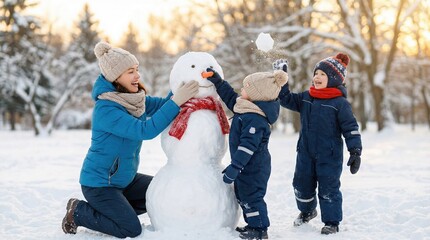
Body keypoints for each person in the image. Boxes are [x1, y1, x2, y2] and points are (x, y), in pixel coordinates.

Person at [61, 41, 199, 238]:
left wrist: (179, 87)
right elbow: (145, 130)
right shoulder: (107, 109)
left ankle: (117, 211)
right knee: (130, 229)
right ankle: (78, 212)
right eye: (130, 72)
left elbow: (163, 106)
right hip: (100, 185)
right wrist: (176, 101)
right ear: (116, 76)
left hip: (125, 180)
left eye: (137, 69)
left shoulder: (134, 99)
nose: (137, 76)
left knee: (162, 192)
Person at [273, 53, 362, 235]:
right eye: (316, 73)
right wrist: (281, 79)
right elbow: (286, 99)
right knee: (301, 184)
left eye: (323, 74)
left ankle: (331, 222)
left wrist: (355, 151)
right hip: (305, 153)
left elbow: (350, 128)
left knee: (328, 188)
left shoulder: (340, 103)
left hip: (329, 156)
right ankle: (307, 211)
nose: (317, 77)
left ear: (334, 79)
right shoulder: (307, 98)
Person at [206, 68, 288, 240]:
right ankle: (253, 224)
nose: (241, 91)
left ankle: (259, 230)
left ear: (255, 95)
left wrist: (235, 167)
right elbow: (230, 97)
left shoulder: (255, 119)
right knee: (243, 194)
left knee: (252, 196)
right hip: (245, 165)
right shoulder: (246, 106)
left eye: (245, 88)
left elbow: (247, 147)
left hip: (254, 167)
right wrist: (218, 81)